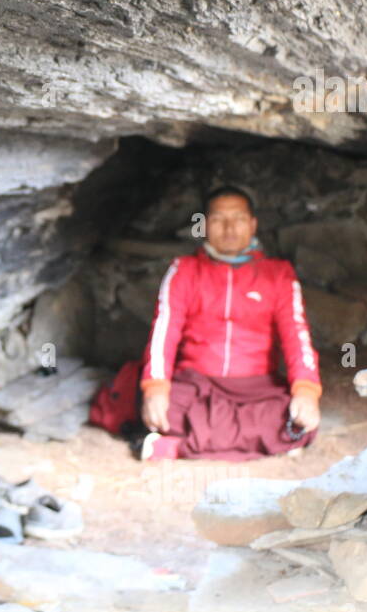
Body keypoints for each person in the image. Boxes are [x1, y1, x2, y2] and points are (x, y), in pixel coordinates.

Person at [134, 186, 321, 461]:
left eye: (239, 219)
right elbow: (164, 330)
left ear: (253, 224)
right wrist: (156, 387)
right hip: (197, 384)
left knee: (297, 422)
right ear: (204, 225)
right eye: (219, 219)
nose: (230, 228)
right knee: (157, 409)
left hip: (256, 388)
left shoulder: (278, 274)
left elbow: (297, 335)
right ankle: (257, 442)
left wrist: (306, 390)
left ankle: (176, 447)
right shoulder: (184, 270)